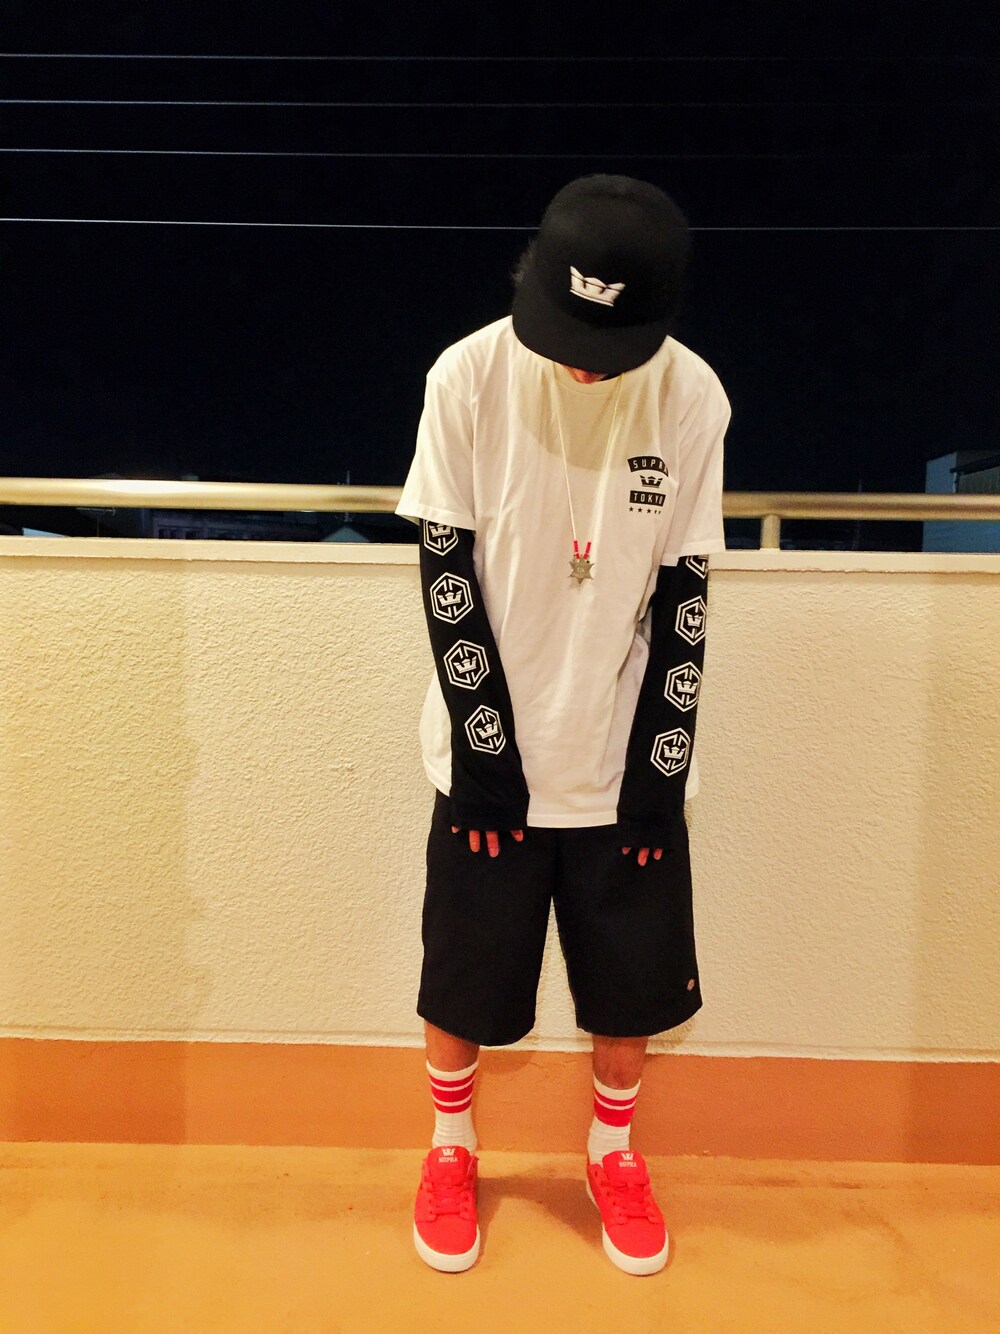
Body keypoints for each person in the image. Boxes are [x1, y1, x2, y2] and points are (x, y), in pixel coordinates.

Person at [396, 174, 730, 1275]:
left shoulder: (691, 397)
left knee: (632, 981)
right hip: (486, 752)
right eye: (569, 336)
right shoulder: (468, 375)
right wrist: (487, 754)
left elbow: (685, 594)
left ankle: (612, 1154)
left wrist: (659, 770)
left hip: (619, 756)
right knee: (465, 976)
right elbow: (445, 568)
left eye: (609, 347)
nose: (585, 365)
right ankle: (451, 1148)